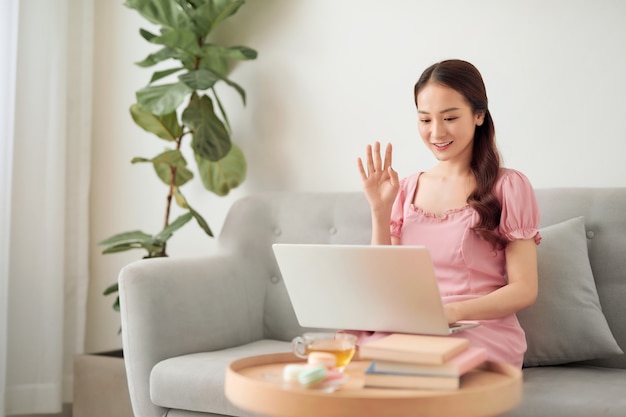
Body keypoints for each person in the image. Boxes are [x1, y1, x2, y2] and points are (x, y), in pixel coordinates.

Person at [356, 59, 541, 368]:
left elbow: (525, 289)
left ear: (479, 115)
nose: (436, 132)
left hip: (478, 328)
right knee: (348, 355)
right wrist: (379, 210)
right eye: (425, 120)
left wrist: (453, 313)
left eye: (450, 117)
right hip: (416, 323)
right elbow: (386, 282)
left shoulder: (508, 186)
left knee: (405, 368)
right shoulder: (406, 188)